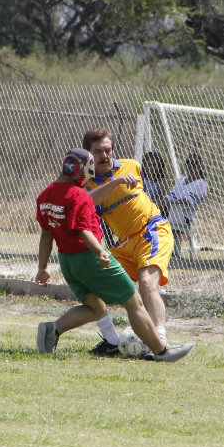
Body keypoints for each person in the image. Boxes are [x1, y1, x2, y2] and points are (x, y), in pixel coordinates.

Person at [34, 147, 194, 362]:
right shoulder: (78, 196)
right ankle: (162, 351)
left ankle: (52, 330)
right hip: (87, 257)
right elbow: (83, 231)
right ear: (82, 171)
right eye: (90, 169)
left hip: (67, 262)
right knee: (134, 302)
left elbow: (46, 234)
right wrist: (100, 251)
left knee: (94, 307)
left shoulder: (45, 195)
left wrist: (42, 267)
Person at [81, 128, 174, 351]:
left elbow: (155, 181)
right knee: (91, 282)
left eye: (107, 150)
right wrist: (115, 182)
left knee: (147, 283)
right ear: (88, 156)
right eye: (97, 151)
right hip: (123, 244)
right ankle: (112, 342)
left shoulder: (131, 165)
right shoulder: (87, 184)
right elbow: (87, 203)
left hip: (151, 230)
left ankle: (160, 341)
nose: (104, 155)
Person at [166, 153, 209, 258]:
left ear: (200, 166)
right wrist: (162, 201)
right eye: (188, 163)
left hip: (185, 216)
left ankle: (173, 253)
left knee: (169, 215)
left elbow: (188, 201)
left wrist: (171, 203)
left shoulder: (202, 184)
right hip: (171, 210)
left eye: (194, 164)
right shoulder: (181, 180)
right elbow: (171, 195)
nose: (190, 166)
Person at [141, 151, 169, 216]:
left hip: (155, 210)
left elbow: (164, 200)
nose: (151, 168)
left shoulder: (161, 181)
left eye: (154, 165)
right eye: (149, 164)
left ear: (159, 166)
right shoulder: (140, 178)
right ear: (144, 165)